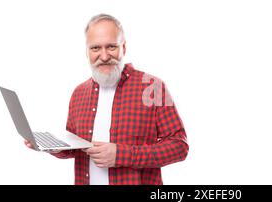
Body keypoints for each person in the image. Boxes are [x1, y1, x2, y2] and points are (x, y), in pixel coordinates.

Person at [25, 13, 189, 185]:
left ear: (123, 48)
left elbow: (179, 147)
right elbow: (76, 149)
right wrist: (52, 147)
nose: (104, 56)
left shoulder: (153, 86)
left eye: (111, 47)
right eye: (95, 48)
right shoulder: (79, 93)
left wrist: (122, 155)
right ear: (87, 52)